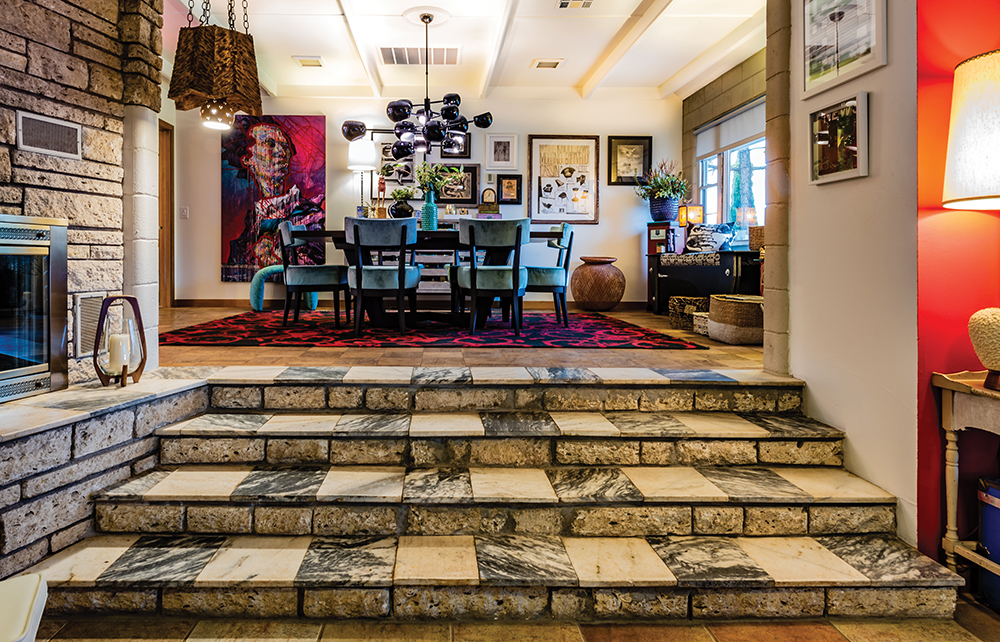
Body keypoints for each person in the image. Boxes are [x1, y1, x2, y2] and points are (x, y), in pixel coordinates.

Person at [222, 117, 326, 281]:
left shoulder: (312, 216)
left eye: (285, 146)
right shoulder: (250, 227)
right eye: (270, 144)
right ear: (248, 159)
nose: (282, 153)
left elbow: (311, 267)